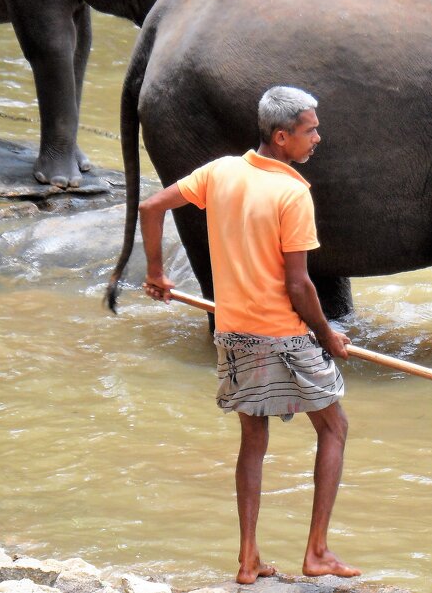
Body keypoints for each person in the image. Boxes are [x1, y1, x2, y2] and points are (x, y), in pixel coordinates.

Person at [138, 85, 361, 584]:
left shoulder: (220, 171)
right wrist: (327, 336)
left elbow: (152, 207)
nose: (318, 138)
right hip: (282, 333)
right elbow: (299, 285)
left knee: (253, 441)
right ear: (281, 137)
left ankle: (248, 560)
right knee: (334, 428)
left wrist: (157, 272)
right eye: (310, 130)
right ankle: (318, 552)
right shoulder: (292, 192)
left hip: (233, 332)